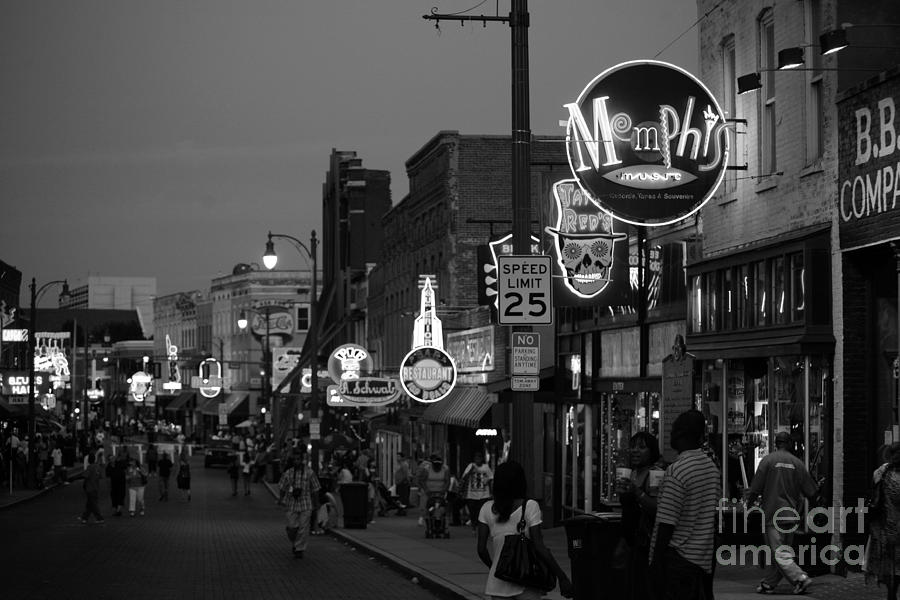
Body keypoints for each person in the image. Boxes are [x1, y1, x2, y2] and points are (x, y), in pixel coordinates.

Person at [476, 460, 574, 600]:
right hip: (526, 579)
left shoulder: (486, 508)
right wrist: (562, 577)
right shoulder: (530, 506)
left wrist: (496, 567)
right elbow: (539, 546)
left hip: (497, 583)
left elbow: (481, 549)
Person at [649, 410, 719, 600]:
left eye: (674, 430)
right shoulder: (711, 469)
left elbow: (666, 523)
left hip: (678, 558)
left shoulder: (677, 471)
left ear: (681, 434)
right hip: (702, 559)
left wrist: (655, 564)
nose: (670, 434)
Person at [745, 430, 818, 595]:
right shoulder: (797, 463)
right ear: (790, 444)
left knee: (779, 552)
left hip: (773, 514)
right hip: (791, 515)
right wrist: (812, 510)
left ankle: (800, 578)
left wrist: (749, 507)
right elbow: (811, 492)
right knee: (780, 551)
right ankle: (769, 583)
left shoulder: (767, 461)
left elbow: (755, 489)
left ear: (776, 443)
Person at [616, 432, 664, 600]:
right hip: (631, 542)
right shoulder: (633, 473)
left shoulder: (655, 474)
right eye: (633, 446)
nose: (635, 451)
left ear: (652, 452)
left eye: (642, 447)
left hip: (646, 544)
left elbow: (657, 507)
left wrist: (636, 492)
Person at [864, 442, 900, 600]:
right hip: (888, 526)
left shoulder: (881, 472)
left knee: (890, 565)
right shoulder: (883, 472)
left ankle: (891, 593)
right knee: (892, 565)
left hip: (886, 526)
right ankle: (892, 592)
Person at [277, 450, 321, 559]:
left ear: (302, 460)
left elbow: (315, 488)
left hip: (305, 503)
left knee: (303, 527)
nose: (296, 462)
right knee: (292, 527)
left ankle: (299, 548)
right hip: (291, 503)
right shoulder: (288, 473)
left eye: (298, 459)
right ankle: (296, 543)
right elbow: (282, 487)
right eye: (294, 460)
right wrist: (281, 498)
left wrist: (317, 503)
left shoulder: (310, 472)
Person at [462, 451, 494, 529]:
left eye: (479, 458)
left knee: (481, 511)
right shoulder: (471, 466)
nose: (478, 460)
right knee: (472, 511)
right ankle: (474, 525)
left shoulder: (486, 467)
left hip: (483, 494)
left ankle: (480, 526)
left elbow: (491, 478)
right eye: (476, 458)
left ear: (482, 459)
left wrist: (491, 492)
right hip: (471, 494)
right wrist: (471, 470)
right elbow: (464, 477)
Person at [417, 453, 450, 527]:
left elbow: (447, 481)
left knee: (442, 504)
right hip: (428, 490)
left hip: (440, 491)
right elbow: (422, 480)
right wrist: (426, 490)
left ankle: (443, 519)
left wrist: (444, 490)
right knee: (424, 503)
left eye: (439, 465)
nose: (437, 466)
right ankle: (422, 517)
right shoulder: (427, 468)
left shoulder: (445, 468)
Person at [79, 452, 104, 524]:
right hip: (96, 487)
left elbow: (85, 476)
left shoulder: (90, 467)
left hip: (90, 488)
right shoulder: (97, 467)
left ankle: (99, 518)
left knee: (93, 504)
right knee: (90, 503)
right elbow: (100, 476)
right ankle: (84, 517)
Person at [106, 451, 128, 516]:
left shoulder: (119, 463)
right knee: (114, 496)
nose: (112, 459)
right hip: (113, 484)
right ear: (109, 460)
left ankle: (118, 510)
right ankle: (116, 510)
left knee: (121, 495)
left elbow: (125, 467)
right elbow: (108, 477)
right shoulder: (108, 467)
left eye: (113, 458)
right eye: (110, 459)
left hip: (121, 482)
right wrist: (108, 485)